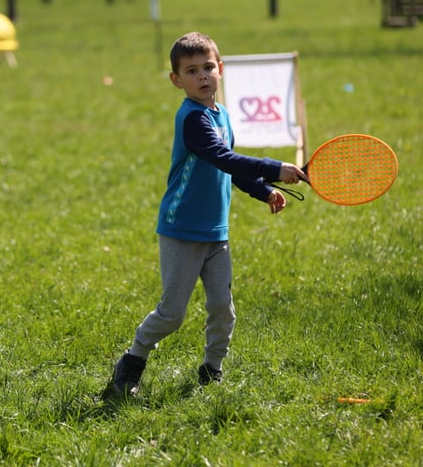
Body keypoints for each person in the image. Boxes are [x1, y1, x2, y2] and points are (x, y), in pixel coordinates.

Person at [108, 31, 307, 396]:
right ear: (176, 80)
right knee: (172, 314)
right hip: (182, 230)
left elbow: (229, 170)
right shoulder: (192, 119)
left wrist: (263, 191)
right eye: (191, 71)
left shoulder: (224, 116)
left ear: (221, 70)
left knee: (222, 308)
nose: (201, 76)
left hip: (216, 233)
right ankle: (131, 363)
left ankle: (211, 370)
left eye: (207, 68)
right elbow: (222, 157)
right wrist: (274, 167)